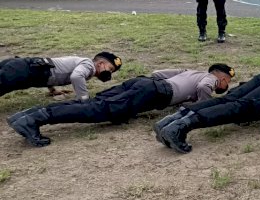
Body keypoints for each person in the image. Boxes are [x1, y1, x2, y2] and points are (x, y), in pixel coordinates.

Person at [7, 64, 235, 147]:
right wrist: (201, 106)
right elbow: (206, 87)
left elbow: (157, 73)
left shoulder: (190, 70)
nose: (224, 85)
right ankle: (35, 119)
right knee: (98, 110)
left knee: (98, 103)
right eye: (227, 81)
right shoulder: (210, 79)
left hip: (145, 83)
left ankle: (28, 114)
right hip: (154, 92)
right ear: (222, 77)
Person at [0, 52, 122, 100]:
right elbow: (76, 76)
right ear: (100, 64)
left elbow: (52, 69)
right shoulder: (89, 65)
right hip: (23, 70)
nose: (109, 73)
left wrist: (53, 90)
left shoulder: (86, 66)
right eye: (110, 68)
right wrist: (84, 99)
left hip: (25, 68)